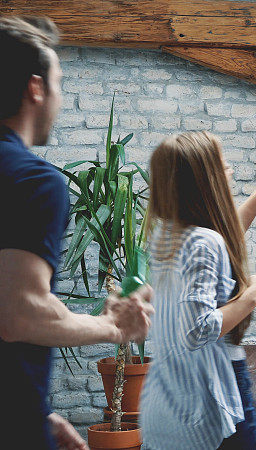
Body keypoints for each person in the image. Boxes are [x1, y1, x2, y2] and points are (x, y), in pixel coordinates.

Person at [0, 16, 154, 450]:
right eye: (59, 83)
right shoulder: (32, 180)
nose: (60, 98)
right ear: (35, 88)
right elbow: (21, 313)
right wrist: (110, 326)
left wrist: (38, 413)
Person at [140, 131, 256, 449]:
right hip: (215, 377)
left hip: (172, 384)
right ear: (205, 179)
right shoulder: (204, 241)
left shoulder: (167, 234)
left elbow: (223, 236)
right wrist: (254, 294)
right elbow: (198, 329)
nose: (230, 170)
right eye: (223, 165)